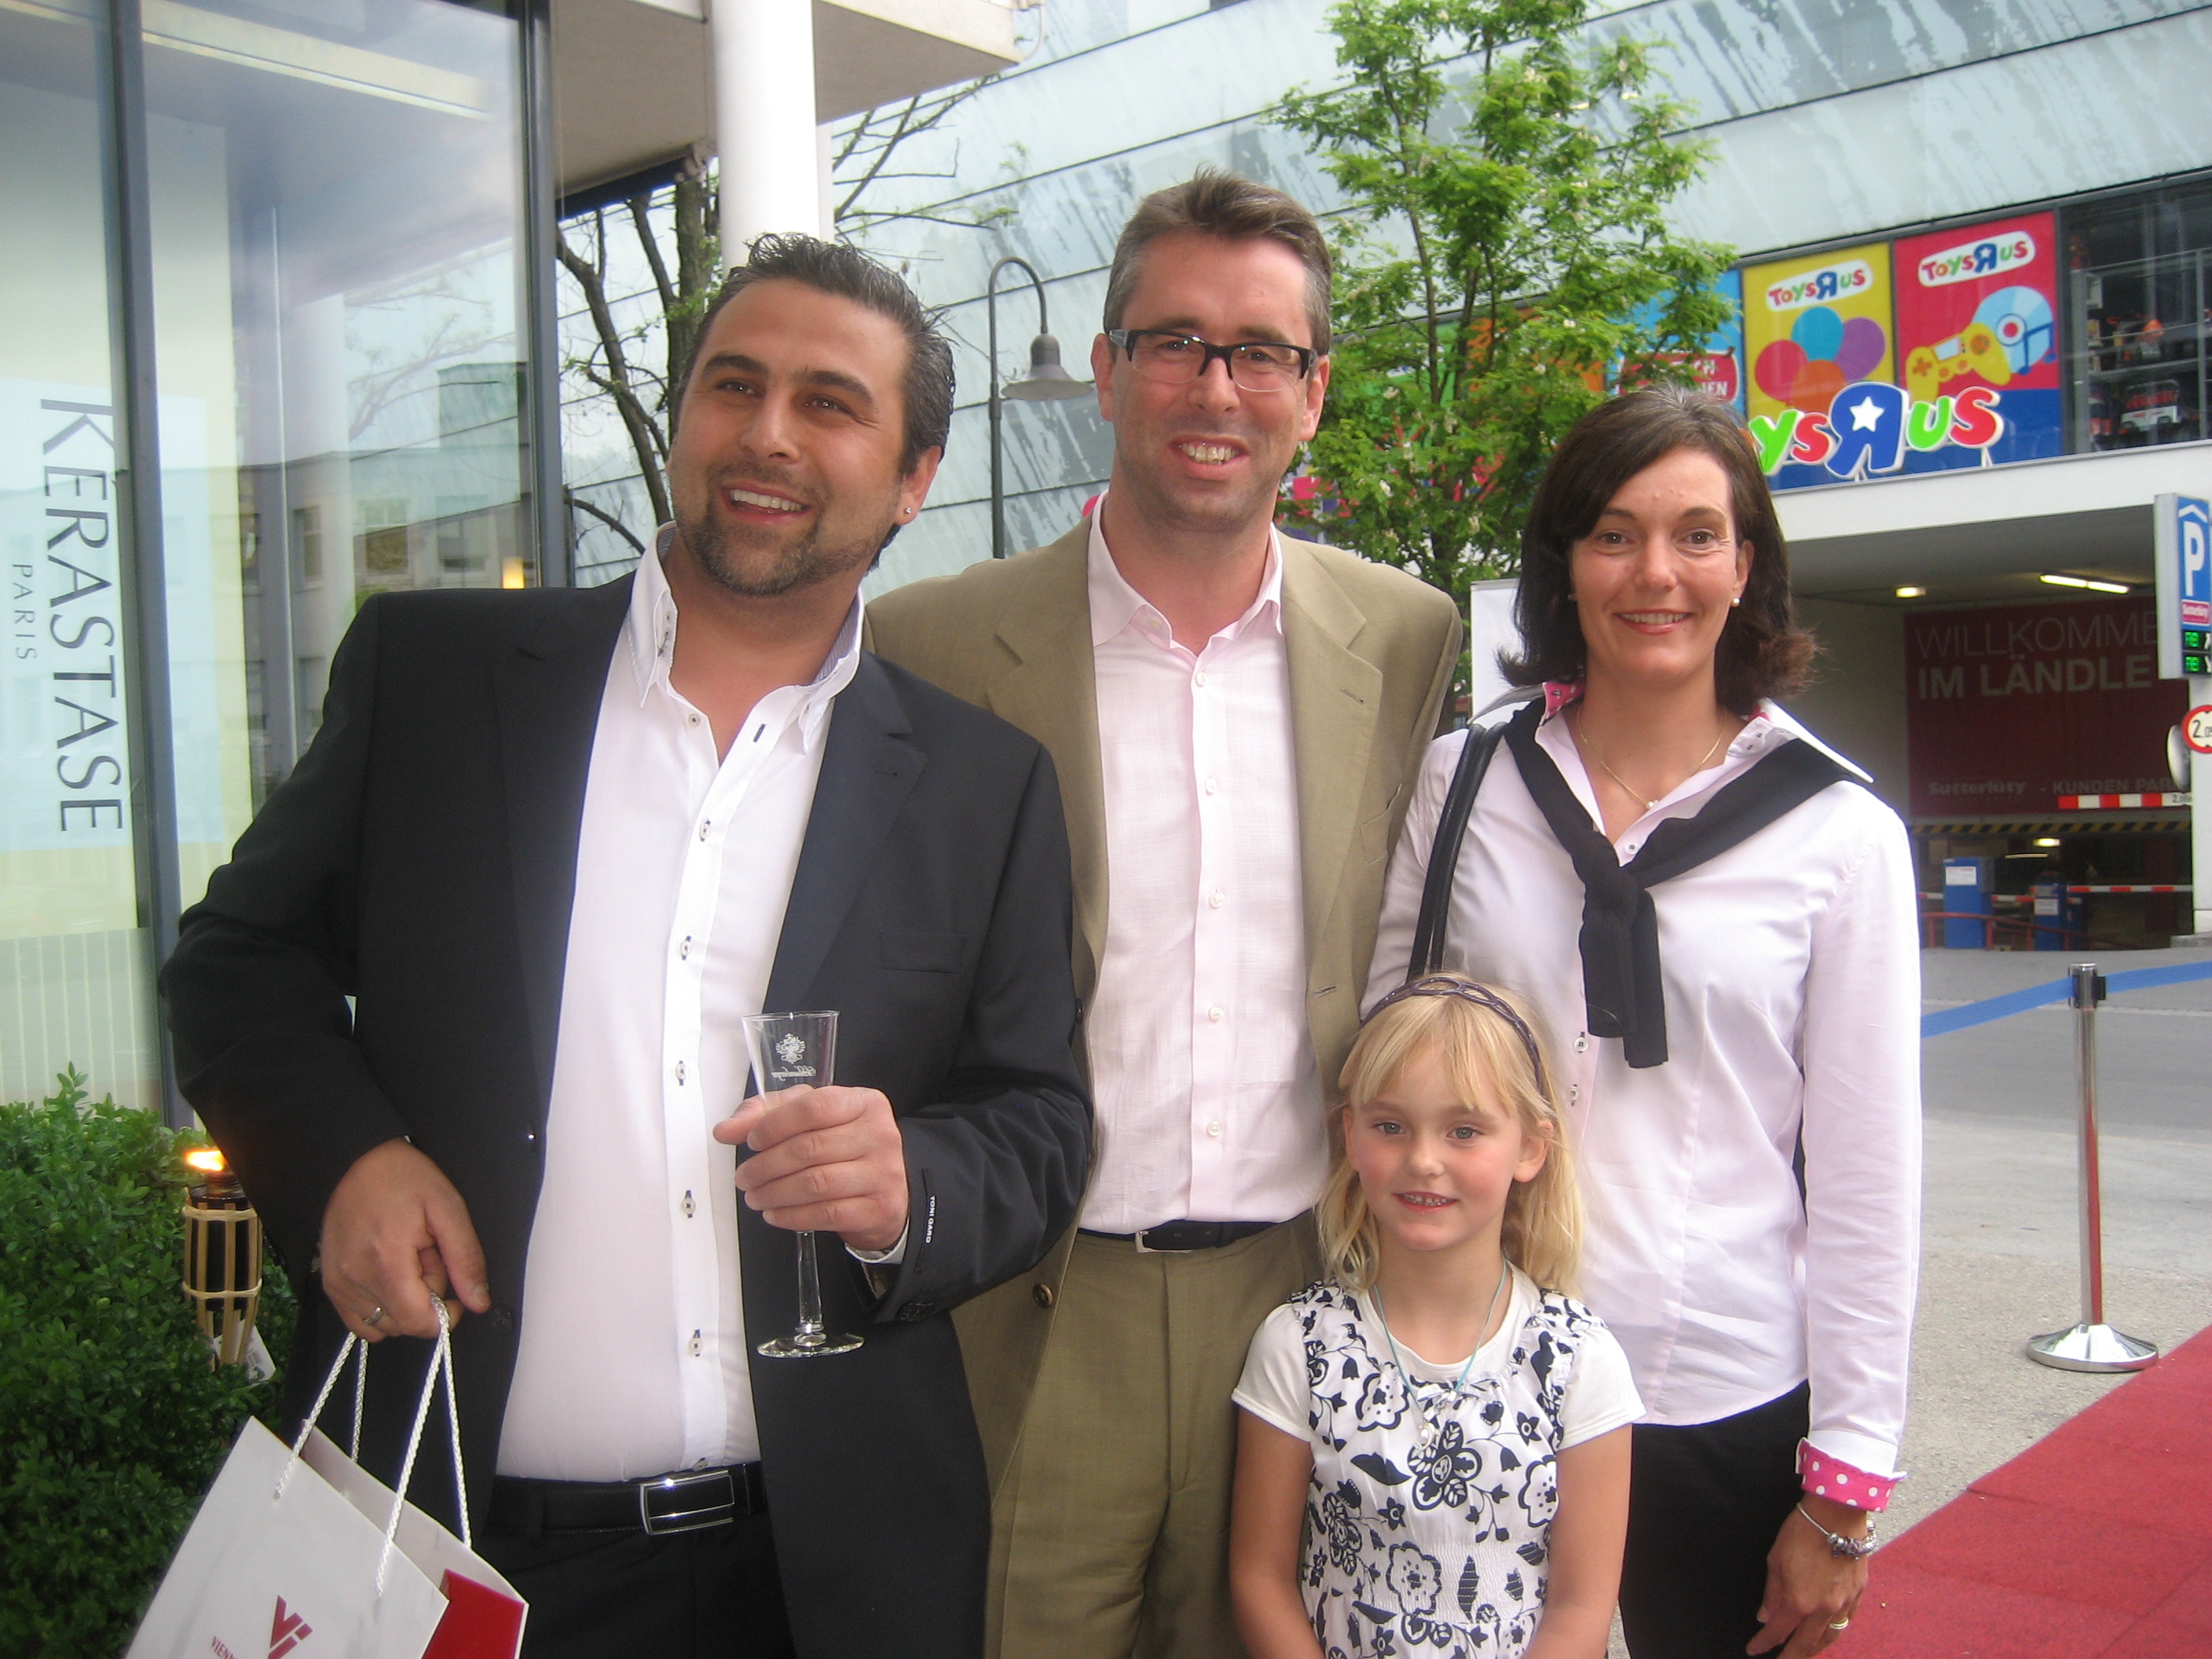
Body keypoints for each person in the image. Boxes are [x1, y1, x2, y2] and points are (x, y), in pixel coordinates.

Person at [160, 234, 1091, 1659]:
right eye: (734, 385)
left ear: (915, 479)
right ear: (681, 418)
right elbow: (235, 959)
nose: (768, 434)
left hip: (836, 1575)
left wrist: (916, 1183)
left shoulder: (983, 783)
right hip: (466, 1550)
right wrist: (344, 1155)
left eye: (830, 404)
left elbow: (1039, 1121)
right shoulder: (438, 677)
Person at [866, 168, 1463, 1658]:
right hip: (1038, 1300)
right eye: (1176, 342)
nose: (1217, 387)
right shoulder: (933, 643)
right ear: (1106, 367)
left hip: (1299, 1299)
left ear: (1313, 393)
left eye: (1261, 352)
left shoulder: (1403, 637)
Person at [1368, 386, 1921, 1659]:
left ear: (1746, 567)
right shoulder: (1466, 783)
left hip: (1718, 1385)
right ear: (1565, 563)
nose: (1655, 573)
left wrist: (1845, 1485)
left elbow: (1867, 1177)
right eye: (1613, 534)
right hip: (1474, 1365)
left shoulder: (1839, 835)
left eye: (1696, 535)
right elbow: (1385, 1059)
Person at [1229, 972, 1639, 1659]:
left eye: (1464, 1131)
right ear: (1351, 1134)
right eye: (1390, 1126)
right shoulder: (1299, 1345)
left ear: (1531, 1148)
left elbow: (1582, 1606)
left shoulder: (1578, 1359)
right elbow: (1260, 1578)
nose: (1423, 1160)